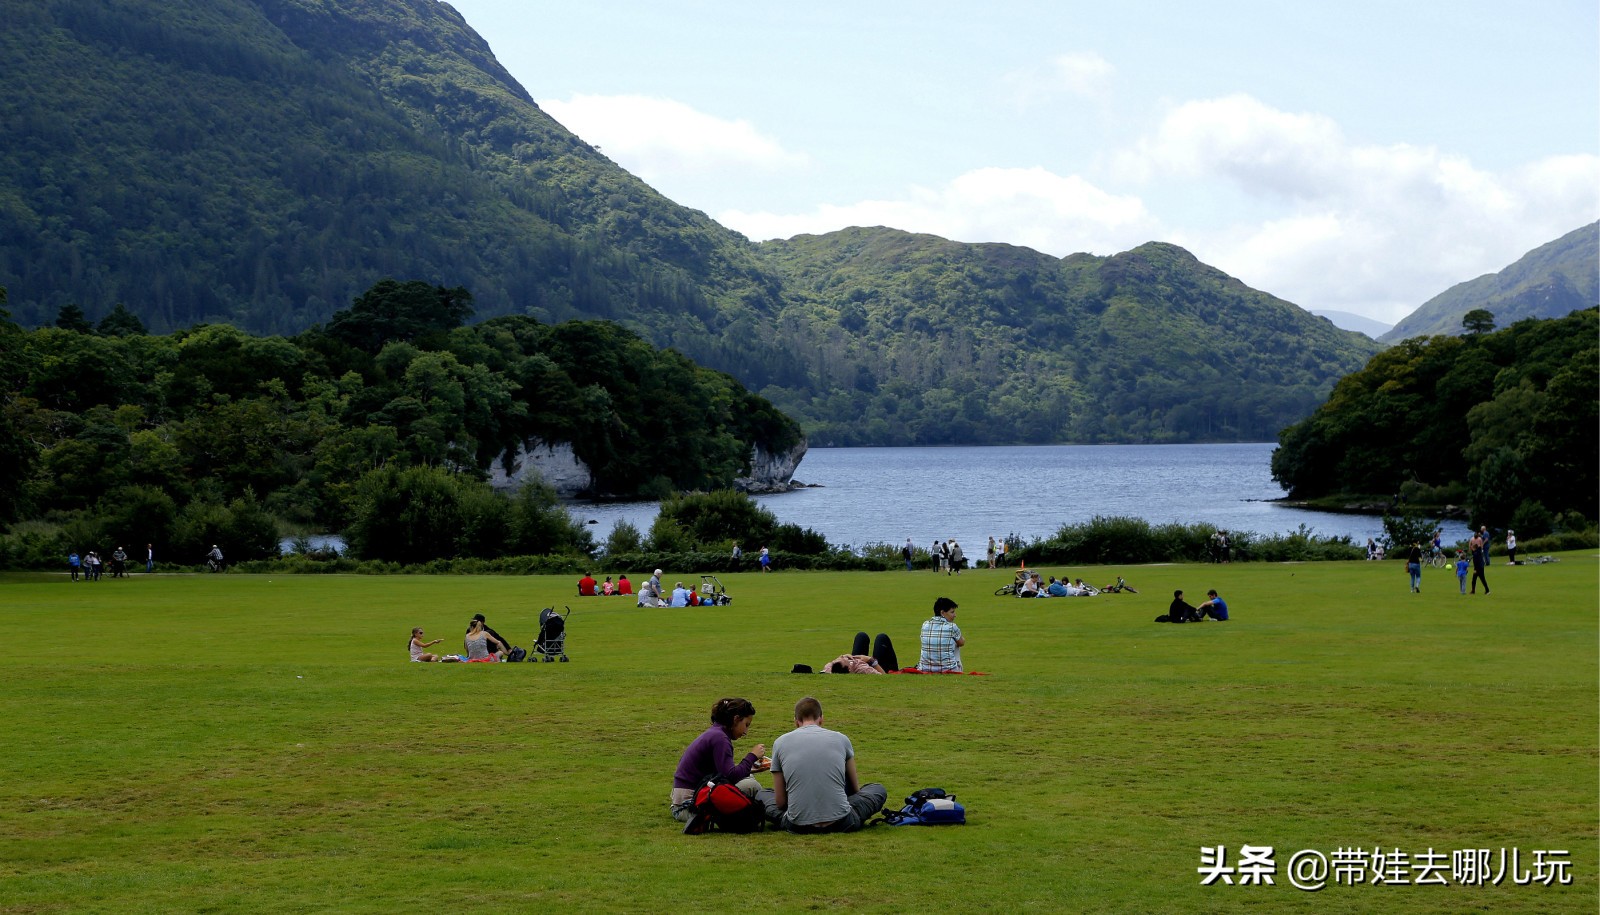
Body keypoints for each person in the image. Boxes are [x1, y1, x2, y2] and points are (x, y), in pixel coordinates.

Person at [755, 697, 887, 833]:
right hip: (842, 821)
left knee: (762, 794)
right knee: (877, 789)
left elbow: (780, 802)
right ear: (821, 719)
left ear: (796, 721)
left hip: (798, 825)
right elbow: (854, 790)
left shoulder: (780, 742)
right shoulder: (841, 739)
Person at [670, 697, 766, 823]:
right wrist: (752, 756)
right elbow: (730, 776)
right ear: (736, 719)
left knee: (748, 780)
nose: (746, 732)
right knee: (751, 786)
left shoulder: (716, 733)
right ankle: (769, 813)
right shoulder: (720, 739)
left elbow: (723, 773)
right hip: (689, 807)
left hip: (686, 799)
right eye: (746, 725)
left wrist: (750, 768)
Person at [918, 597, 964, 672]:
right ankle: (954, 667)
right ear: (942, 613)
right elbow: (962, 643)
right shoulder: (952, 626)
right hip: (948, 669)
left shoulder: (925, 625)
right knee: (956, 643)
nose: (955, 615)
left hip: (925, 668)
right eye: (952, 612)